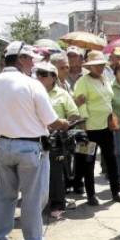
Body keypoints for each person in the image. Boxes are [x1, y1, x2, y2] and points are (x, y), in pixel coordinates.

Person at [0, 41, 69, 240]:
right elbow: (51, 119)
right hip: (30, 148)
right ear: (20, 59)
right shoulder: (31, 84)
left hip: (3, 145)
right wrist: (64, 122)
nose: (33, 64)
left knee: (4, 195)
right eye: (30, 59)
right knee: (32, 199)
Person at [73, 50, 120, 206]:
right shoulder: (82, 81)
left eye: (102, 64)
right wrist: (83, 126)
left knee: (111, 159)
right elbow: (80, 104)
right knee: (87, 162)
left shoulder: (104, 78)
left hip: (106, 127)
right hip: (88, 129)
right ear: (90, 66)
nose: (100, 67)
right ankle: (91, 194)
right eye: (96, 65)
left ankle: (116, 191)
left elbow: (108, 100)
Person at [35, 62, 80, 219]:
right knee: (37, 174)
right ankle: (40, 204)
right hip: (35, 137)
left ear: (53, 77)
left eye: (44, 74)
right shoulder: (32, 92)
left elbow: (74, 114)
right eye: (38, 73)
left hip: (55, 139)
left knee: (55, 174)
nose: (39, 76)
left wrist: (59, 124)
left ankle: (57, 204)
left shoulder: (62, 94)